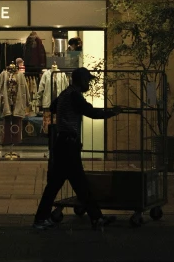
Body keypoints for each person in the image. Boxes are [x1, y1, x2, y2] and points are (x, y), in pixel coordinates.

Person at [32, 67, 122, 231]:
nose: (88, 83)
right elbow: (90, 112)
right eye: (87, 80)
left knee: (75, 183)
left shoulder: (65, 94)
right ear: (80, 80)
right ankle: (41, 219)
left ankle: (96, 217)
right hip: (68, 144)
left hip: (63, 143)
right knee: (67, 184)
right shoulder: (74, 95)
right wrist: (111, 113)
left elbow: (53, 107)